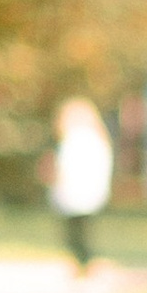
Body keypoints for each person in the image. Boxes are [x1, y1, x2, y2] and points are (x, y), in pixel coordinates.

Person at [46, 97, 115, 273]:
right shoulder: (97, 139)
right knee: (81, 235)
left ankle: (88, 266)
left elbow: (67, 168)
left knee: (77, 236)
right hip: (88, 194)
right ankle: (85, 266)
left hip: (75, 194)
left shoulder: (76, 139)